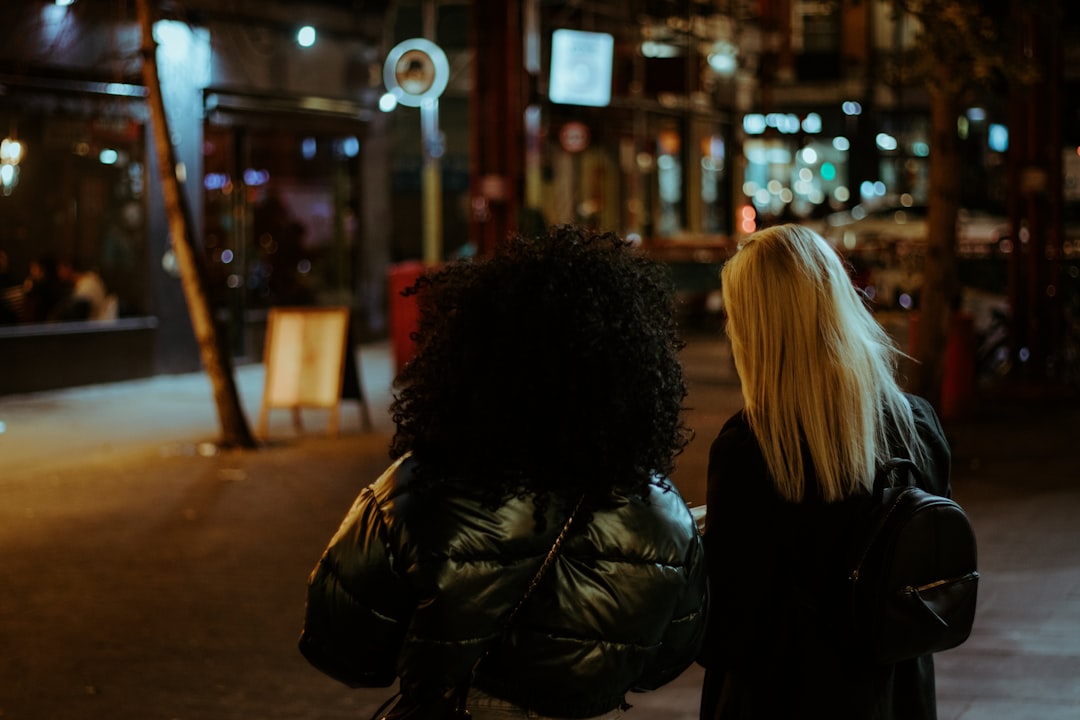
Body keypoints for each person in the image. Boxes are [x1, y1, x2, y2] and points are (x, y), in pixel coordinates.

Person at [299, 225, 709, 719]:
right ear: (636, 368)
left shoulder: (417, 488)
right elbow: (664, 660)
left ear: (474, 355)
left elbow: (343, 645)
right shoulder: (662, 514)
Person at [697, 224, 951, 720]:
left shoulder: (752, 448)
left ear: (759, 327)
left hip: (782, 697)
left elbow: (729, 628)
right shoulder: (915, 424)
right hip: (896, 695)